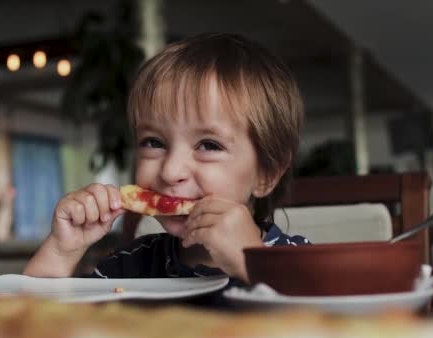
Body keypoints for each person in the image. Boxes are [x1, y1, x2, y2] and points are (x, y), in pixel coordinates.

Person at [24, 33, 309, 285]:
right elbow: (24, 323)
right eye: (154, 142)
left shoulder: (300, 262)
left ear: (267, 174)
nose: (171, 171)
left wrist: (254, 266)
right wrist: (62, 250)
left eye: (208, 145)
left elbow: (326, 327)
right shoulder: (131, 264)